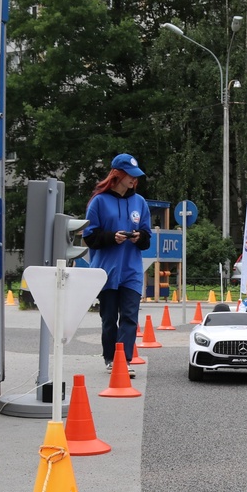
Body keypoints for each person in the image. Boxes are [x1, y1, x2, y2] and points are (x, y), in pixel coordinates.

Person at [82, 153, 152, 376]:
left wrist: (138, 237)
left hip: (131, 271)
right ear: (118, 175)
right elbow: (90, 237)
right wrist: (112, 237)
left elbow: (147, 238)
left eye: (136, 176)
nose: (134, 180)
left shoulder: (140, 202)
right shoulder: (99, 201)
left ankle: (124, 361)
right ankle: (110, 358)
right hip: (106, 271)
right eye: (130, 176)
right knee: (109, 318)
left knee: (130, 316)